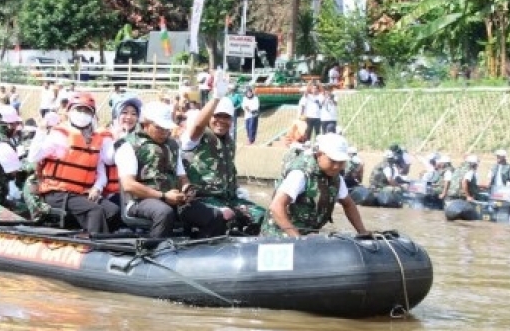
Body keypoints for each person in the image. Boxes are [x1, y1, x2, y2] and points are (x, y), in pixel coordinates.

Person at [115, 101, 226, 238]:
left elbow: (182, 178)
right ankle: (155, 251)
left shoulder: (172, 145)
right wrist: (163, 196)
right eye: (159, 128)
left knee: (214, 216)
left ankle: (200, 249)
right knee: (164, 213)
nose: (164, 133)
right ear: (145, 124)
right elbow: (129, 185)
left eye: (167, 129)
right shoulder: (128, 146)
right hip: (140, 201)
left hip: (172, 199)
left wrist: (187, 190)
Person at [33, 93, 120, 234]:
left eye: (86, 111)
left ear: (92, 116)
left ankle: (94, 236)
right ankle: (96, 247)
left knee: (113, 210)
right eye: (79, 110)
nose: (82, 114)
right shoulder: (59, 136)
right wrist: (41, 132)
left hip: (81, 193)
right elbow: (34, 156)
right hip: (57, 193)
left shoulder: (95, 141)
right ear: (69, 112)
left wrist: (97, 188)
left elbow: (101, 172)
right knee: (95, 211)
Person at [181, 95, 266, 235]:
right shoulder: (198, 137)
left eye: (226, 117)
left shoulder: (229, 142)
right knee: (227, 215)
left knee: (263, 216)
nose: (221, 121)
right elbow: (197, 125)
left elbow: (227, 171)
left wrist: (237, 188)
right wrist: (215, 98)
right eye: (217, 116)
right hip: (202, 198)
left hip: (229, 198)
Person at [261, 133, 369, 237]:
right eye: (332, 161)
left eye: (341, 162)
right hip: (280, 236)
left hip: (308, 236)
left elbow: (348, 204)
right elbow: (276, 207)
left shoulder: (336, 178)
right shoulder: (300, 174)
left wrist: (362, 231)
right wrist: (298, 239)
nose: (336, 166)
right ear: (319, 154)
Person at [101, 95, 143, 206]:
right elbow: (108, 159)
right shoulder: (106, 136)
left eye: (134, 114)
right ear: (116, 115)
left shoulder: (141, 138)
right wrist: (118, 139)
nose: (129, 117)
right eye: (124, 112)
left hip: (137, 191)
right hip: (111, 193)